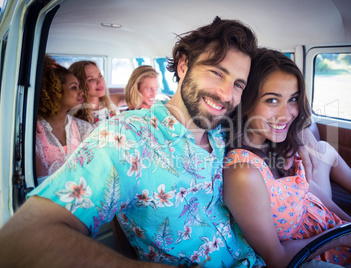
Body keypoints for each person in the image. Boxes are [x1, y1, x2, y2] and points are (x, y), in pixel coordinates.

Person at [0, 17, 264, 267]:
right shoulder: (126, 137)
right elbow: (21, 238)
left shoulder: (223, 134)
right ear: (184, 65)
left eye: (238, 84)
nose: (226, 94)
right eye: (217, 73)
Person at [223, 47, 351, 267]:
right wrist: (340, 235)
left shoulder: (279, 143)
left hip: (322, 223)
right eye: (271, 100)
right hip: (313, 249)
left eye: (293, 99)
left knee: (324, 149)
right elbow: (276, 258)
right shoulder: (244, 173)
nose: (287, 113)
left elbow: (304, 189)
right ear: (246, 100)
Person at [35, 54, 93, 183]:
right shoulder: (35, 131)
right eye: (74, 87)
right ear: (54, 91)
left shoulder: (83, 128)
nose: (81, 92)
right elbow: (40, 181)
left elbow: (92, 169)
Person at [69, 60, 119, 127]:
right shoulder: (75, 116)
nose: (100, 82)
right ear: (79, 84)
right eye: (91, 79)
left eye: (100, 76)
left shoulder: (110, 103)